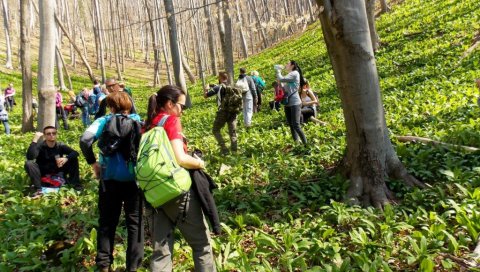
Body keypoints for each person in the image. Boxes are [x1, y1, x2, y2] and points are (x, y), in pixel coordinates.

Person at [143, 85, 215, 271]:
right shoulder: (171, 121)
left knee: (161, 252)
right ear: (169, 104)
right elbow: (180, 158)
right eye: (181, 106)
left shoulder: (146, 125)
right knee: (202, 246)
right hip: (177, 193)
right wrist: (200, 163)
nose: (182, 111)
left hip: (153, 195)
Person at [79, 91, 143, 272]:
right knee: (134, 223)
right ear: (129, 105)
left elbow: (85, 140)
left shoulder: (104, 121)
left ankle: (104, 265)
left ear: (111, 107)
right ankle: (133, 267)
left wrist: (93, 163)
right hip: (134, 181)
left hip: (109, 180)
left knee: (107, 222)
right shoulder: (139, 121)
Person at [25, 126, 81, 196]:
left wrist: (66, 158)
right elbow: (30, 157)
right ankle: (38, 189)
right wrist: (34, 140)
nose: (51, 135)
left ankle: (75, 184)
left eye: (54, 133)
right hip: (43, 171)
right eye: (48, 134)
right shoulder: (40, 146)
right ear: (45, 136)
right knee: (29, 163)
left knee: (73, 158)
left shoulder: (60, 145)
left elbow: (75, 153)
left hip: (58, 169)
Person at [204, 72, 239, 154]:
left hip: (222, 112)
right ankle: (234, 150)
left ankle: (224, 148)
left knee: (215, 130)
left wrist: (206, 88)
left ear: (220, 78)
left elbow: (205, 96)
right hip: (233, 111)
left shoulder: (218, 87)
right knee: (232, 131)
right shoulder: (233, 86)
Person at [275, 60, 308, 145]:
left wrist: (278, 71)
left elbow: (282, 79)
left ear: (292, 66)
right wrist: (280, 84)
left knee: (296, 124)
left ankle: (306, 144)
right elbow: (284, 88)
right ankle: (297, 143)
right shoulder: (289, 75)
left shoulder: (295, 73)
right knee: (291, 124)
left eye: (287, 63)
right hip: (287, 103)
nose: (285, 65)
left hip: (295, 103)